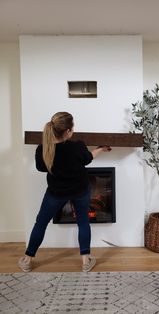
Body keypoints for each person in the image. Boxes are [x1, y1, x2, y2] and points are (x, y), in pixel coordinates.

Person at [18, 112, 111, 272]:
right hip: (80, 190)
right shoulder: (77, 146)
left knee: (40, 223)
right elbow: (88, 158)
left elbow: (41, 168)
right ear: (67, 131)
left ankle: (27, 260)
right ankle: (85, 261)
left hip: (56, 193)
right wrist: (100, 149)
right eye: (72, 126)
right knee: (83, 222)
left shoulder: (42, 149)